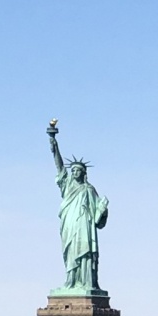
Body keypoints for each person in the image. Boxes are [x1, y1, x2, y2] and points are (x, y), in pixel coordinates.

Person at [47, 120, 108, 294]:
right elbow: (58, 165)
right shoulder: (66, 185)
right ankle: (71, 282)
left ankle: (87, 283)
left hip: (85, 227)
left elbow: (98, 217)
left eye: (77, 170)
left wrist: (103, 210)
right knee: (71, 253)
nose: (74, 172)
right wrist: (53, 142)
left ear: (83, 173)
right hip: (70, 224)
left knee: (86, 253)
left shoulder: (89, 189)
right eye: (72, 170)